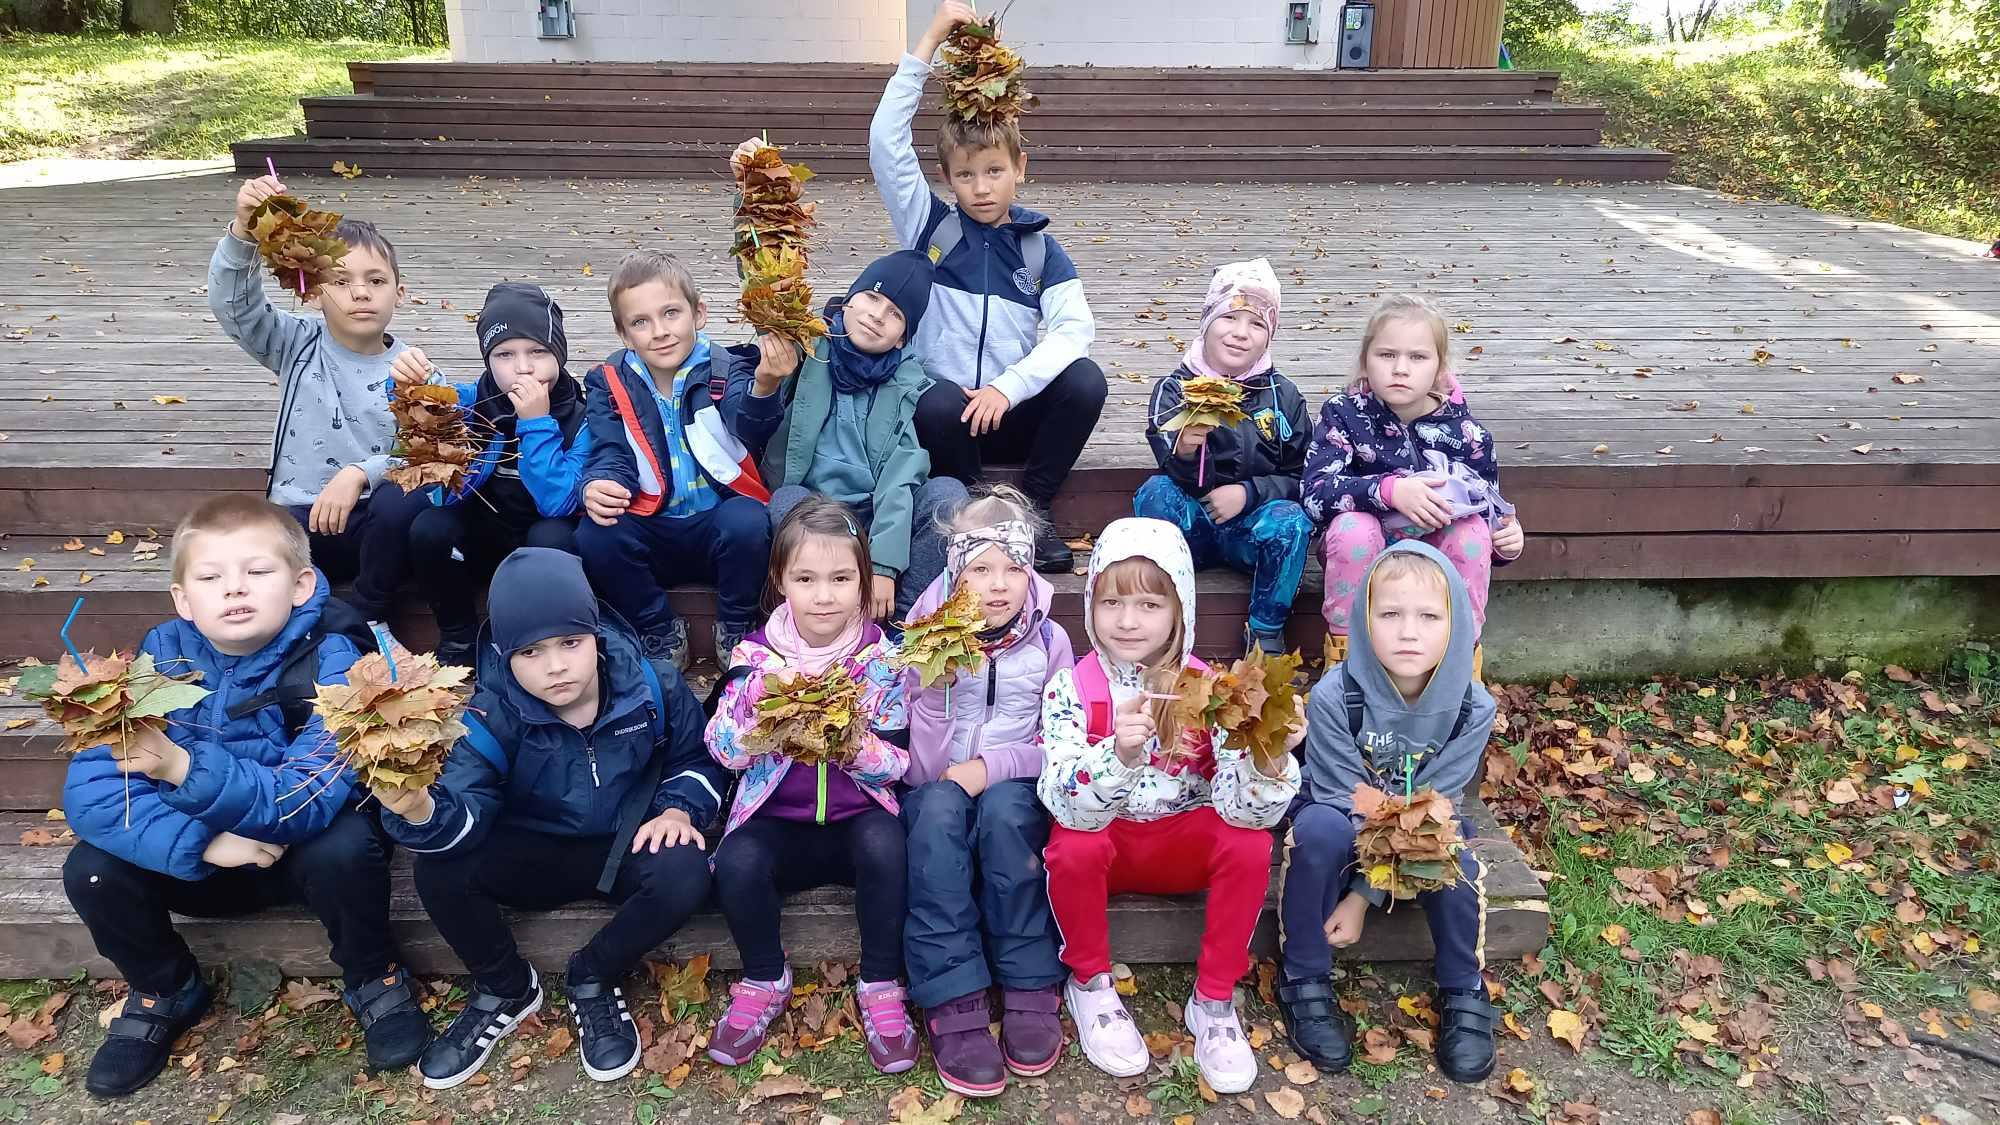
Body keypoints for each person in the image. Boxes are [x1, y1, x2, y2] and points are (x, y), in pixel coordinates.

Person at [61, 496, 428, 1098]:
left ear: (301, 585)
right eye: (210, 578)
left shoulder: (336, 661)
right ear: (183, 599)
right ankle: (164, 988)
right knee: (91, 868)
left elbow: (307, 795)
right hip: (198, 862)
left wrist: (182, 768)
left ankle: (372, 974)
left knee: (347, 845)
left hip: (297, 856)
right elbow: (93, 790)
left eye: (257, 571)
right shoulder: (157, 662)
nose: (234, 589)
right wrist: (203, 842)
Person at [369, 548, 725, 1089]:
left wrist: (678, 807)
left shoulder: (652, 687)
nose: (555, 666)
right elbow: (467, 802)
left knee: (687, 870)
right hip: (533, 850)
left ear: (596, 635)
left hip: (624, 842)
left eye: (570, 643)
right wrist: (420, 810)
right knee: (440, 870)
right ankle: (505, 986)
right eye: (530, 651)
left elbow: (695, 759)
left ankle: (594, 974)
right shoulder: (488, 715)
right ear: (504, 655)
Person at [1037, 518, 1302, 1095]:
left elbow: (1244, 812)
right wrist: (1120, 756)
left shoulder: (1212, 692)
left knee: (1249, 844)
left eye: (1149, 605)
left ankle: (1214, 1000)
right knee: (1072, 845)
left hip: (1183, 845)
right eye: (1111, 602)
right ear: (1090, 606)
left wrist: (1268, 760)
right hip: (1110, 844)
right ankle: (1090, 983)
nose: (1128, 621)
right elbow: (1064, 803)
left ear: (1180, 609)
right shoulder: (1071, 688)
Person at [869, 0, 1107, 573]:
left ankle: (1035, 509)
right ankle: (980, 511)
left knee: (1085, 380)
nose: (981, 188)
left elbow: (1075, 329)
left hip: (1008, 411)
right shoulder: (930, 226)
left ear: (1020, 167)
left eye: (994, 171)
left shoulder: (1039, 249)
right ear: (947, 178)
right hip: (947, 424)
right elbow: (885, 143)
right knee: (934, 398)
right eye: (966, 175)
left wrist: (1008, 387)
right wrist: (928, 42)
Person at [704, 498, 919, 1074]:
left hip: (857, 820)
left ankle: (880, 982)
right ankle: (763, 977)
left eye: (841, 578)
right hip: (779, 822)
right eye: (806, 579)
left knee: (888, 847)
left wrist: (856, 749)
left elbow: (900, 763)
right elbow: (721, 749)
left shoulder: (883, 660)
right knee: (737, 861)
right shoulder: (754, 659)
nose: (824, 596)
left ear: (864, 580)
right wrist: (759, 722)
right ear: (780, 580)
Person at [1277, 542, 1499, 1084]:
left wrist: (1362, 897)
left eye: (1429, 617)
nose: (1408, 633)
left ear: (1456, 624)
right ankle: (1304, 974)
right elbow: (1341, 796)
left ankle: (1463, 988)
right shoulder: (1336, 696)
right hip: (1345, 821)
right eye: (1390, 614)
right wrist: (1364, 878)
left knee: (1455, 856)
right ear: (1363, 619)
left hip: (1420, 827)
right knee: (1319, 830)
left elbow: (1436, 808)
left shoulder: (1473, 707)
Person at [898, 486, 1072, 1096]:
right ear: (955, 575)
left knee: (1004, 814)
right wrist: (933, 693)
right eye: (981, 570)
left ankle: (1028, 979)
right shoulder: (924, 638)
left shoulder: (1049, 642)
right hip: (938, 787)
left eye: (1013, 569)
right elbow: (917, 767)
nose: (999, 586)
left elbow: (1060, 742)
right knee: (936, 814)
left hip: (1014, 787)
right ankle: (953, 993)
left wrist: (991, 766)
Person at [209, 174, 430, 626]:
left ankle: (368, 614)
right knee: (244, 543)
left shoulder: (414, 369)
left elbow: (426, 455)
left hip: (374, 529)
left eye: (376, 280)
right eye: (341, 280)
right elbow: (235, 307)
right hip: (298, 521)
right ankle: (300, 622)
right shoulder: (295, 344)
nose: (361, 292)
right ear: (311, 292)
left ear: (399, 293)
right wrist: (244, 232)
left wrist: (361, 473)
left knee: (410, 503)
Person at [574, 250, 795, 672]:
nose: (660, 332)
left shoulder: (727, 366)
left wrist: (765, 385)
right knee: (595, 535)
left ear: (699, 314)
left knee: (749, 521)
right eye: (641, 322)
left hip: (717, 524)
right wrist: (598, 483)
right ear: (624, 334)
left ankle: (735, 625)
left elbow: (749, 424)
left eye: (671, 313)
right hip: (651, 523)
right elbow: (609, 450)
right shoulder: (609, 382)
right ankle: (658, 628)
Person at [1302, 294, 1525, 667]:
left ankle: (1458, 662)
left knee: (1470, 533)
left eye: (1418, 357)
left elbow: (1489, 509)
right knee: (1353, 529)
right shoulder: (1343, 415)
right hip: (1364, 552)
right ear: (1365, 360)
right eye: (1387, 355)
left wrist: (1506, 541)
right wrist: (1388, 491)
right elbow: (1314, 494)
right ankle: (1346, 659)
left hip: (1435, 559)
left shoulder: (1468, 435)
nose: (1400, 369)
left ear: (1440, 368)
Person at [755, 246, 965, 619]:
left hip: (875, 511)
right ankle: (818, 617)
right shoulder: (807, 348)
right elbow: (767, 307)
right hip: (816, 509)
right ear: (848, 300)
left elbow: (900, 477)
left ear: (902, 339)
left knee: (947, 495)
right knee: (786, 501)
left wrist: (884, 566)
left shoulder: (908, 382)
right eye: (871, 297)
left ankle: (901, 621)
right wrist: (767, 252)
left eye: (895, 314)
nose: (877, 316)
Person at [389, 283, 590, 668]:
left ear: (559, 354)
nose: (524, 367)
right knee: (431, 527)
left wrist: (536, 422)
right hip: (481, 538)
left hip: (543, 541)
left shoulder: (582, 418)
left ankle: (536, 639)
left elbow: (558, 502)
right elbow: (437, 474)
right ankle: (458, 636)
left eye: (538, 351)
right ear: (487, 359)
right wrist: (409, 385)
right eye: (504, 354)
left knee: (552, 535)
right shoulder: (471, 403)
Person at [1135, 258, 1312, 655]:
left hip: (1252, 528)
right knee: (1154, 492)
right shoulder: (1174, 389)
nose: (1240, 333)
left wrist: (1248, 493)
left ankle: (1265, 632)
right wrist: (1185, 450)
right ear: (1207, 321)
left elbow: (1303, 476)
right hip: (1191, 524)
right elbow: (1173, 468)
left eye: (1257, 324)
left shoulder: (1284, 396)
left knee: (1292, 521)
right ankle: (1160, 618)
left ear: (1269, 337)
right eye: (1229, 317)